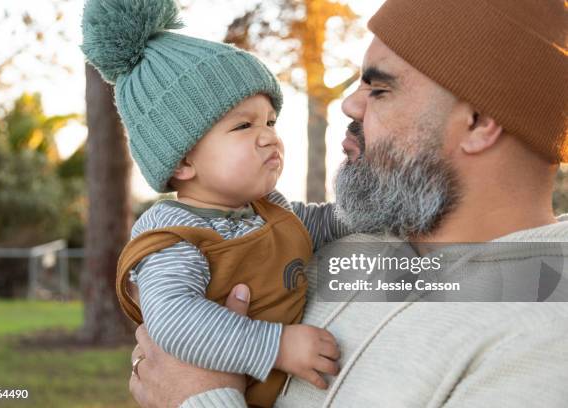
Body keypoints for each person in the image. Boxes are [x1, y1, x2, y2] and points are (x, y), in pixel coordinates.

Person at [128, 0, 568, 406]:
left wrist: (197, 397)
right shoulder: (330, 245)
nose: (348, 104)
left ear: (478, 122)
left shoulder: (546, 343)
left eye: (380, 89)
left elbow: (188, 379)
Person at [80, 0, 351, 406]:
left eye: (270, 122)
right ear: (184, 159)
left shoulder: (269, 212)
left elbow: (327, 223)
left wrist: (374, 213)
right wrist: (275, 346)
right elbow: (174, 319)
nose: (269, 137)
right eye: (244, 125)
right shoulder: (174, 238)